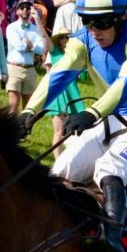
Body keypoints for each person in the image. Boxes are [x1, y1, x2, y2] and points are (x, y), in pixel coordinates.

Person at [19, 0, 127, 252]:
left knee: (109, 167)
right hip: (109, 121)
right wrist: (30, 112)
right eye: (88, 22)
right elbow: (59, 74)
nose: (94, 31)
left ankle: (112, 237)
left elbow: (124, 84)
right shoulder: (84, 39)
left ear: (121, 19)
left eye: (101, 23)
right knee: (60, 170)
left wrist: (91, 113)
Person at [43, 27, 85, 157]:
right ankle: (58, 162)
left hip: (72, 93)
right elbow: (44, 37)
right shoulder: (55, 52)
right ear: (59, 40)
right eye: (62, 37)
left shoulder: (75, 54)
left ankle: (70, 159)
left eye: (68, 36)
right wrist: (37, 20)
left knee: (73, 130)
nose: (65, 39)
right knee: (59, 130)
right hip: (58, 94)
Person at [6, 0, 46, 114]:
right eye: (22, 8)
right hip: (14, 68)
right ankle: (9, 131)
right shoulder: (11, 27)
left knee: (28, 107)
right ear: (17, 11)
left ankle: (23, 132)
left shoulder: (36, 29)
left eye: (28, 8)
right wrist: (32, 46)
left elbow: (41, 49)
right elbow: (18, 46)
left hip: (30, 69)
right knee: (13, 104)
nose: (25, 10)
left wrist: (30, 44)